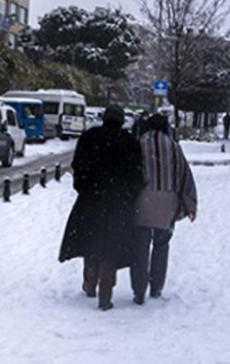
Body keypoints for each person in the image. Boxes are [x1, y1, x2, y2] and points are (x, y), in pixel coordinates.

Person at [59, 105, 144, 311]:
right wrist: (130, 195)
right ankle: (106, 293)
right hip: (119, 202)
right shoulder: (129, 142)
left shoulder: (90, 137)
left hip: (91, 198)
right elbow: (136, 174)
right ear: (122, 120)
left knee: (91, 238)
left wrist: (83, 187)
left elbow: (78, 165)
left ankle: (90, 283)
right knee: (111, 246)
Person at [130, 114, 198, 304]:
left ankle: (139, 290)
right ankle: (156, 287)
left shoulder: (139, 144)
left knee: (140, 247)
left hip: (142, 201)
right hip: (168, 203)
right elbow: (185, 175)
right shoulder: (174, 147)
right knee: (161, 245)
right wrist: (191, 204)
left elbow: (131, 172)